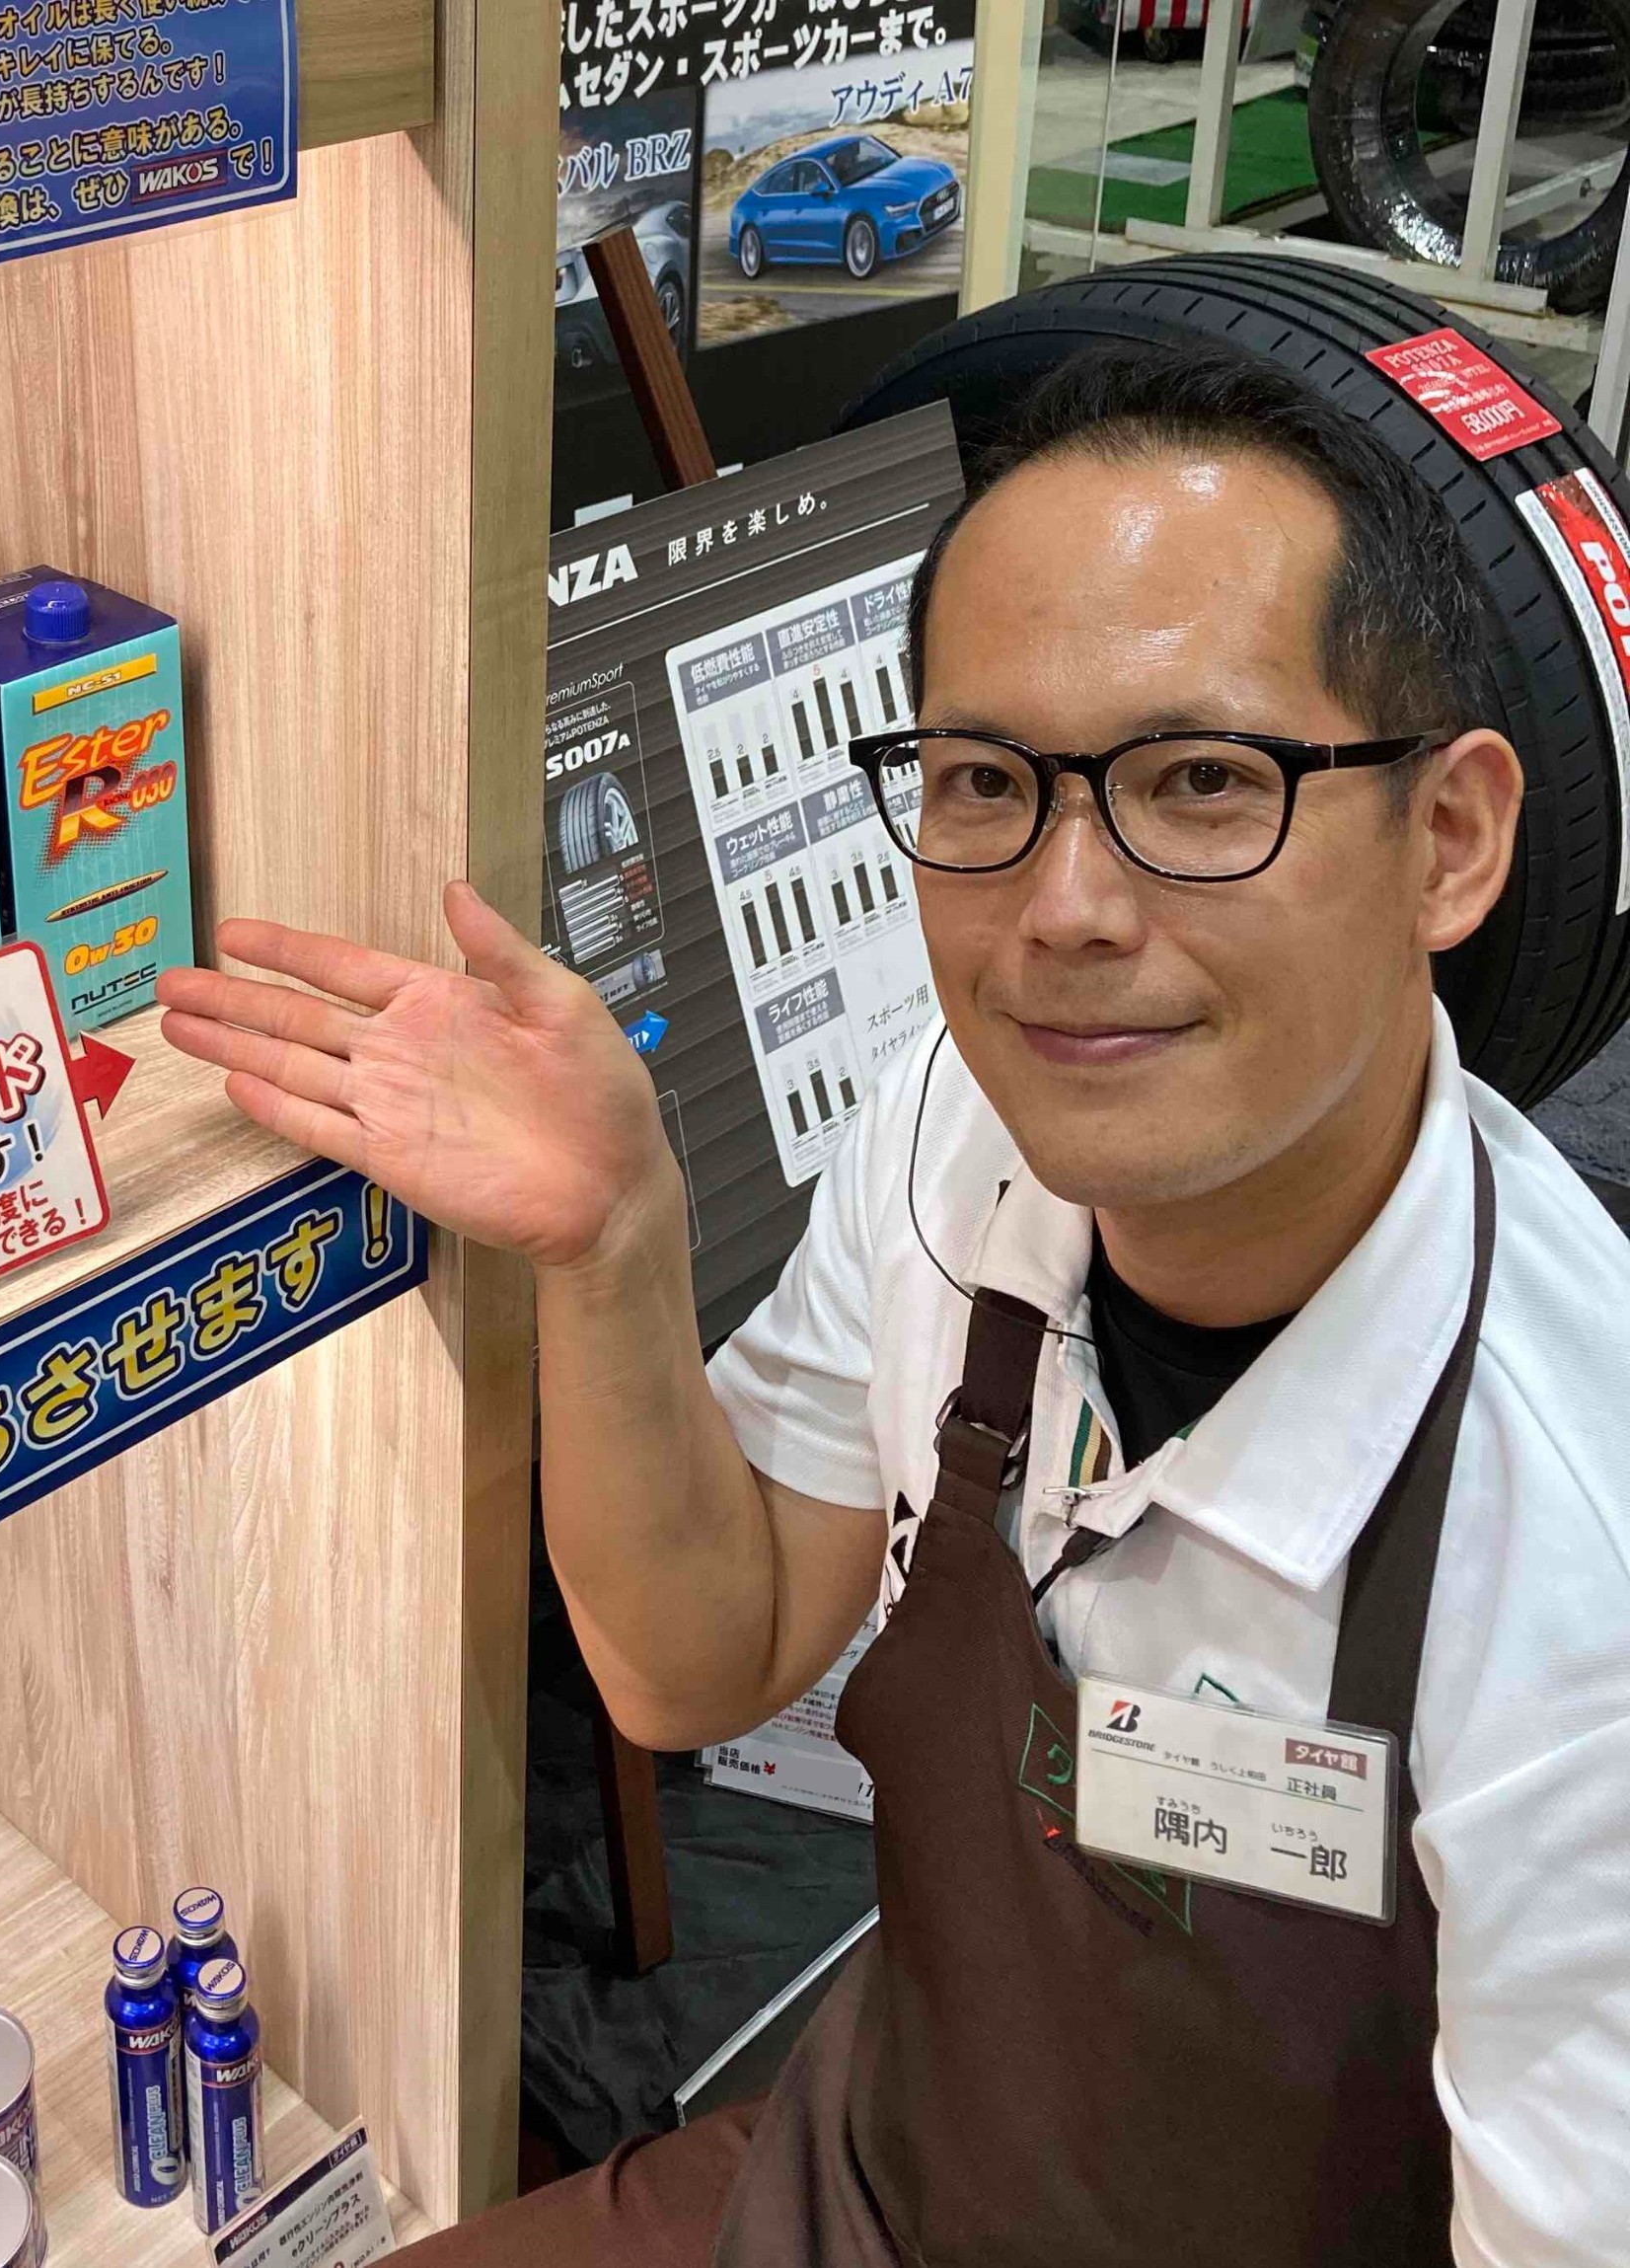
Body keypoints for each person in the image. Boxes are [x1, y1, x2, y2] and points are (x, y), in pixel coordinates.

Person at [158, 341, 1630, 2267]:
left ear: (1449, 838)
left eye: (1202, 781)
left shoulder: (1571, 1578)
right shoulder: (958, 1126)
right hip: (865, 2169)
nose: (1066, 907)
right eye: (987, 782)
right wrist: (613, 1237)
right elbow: (707, 1656)